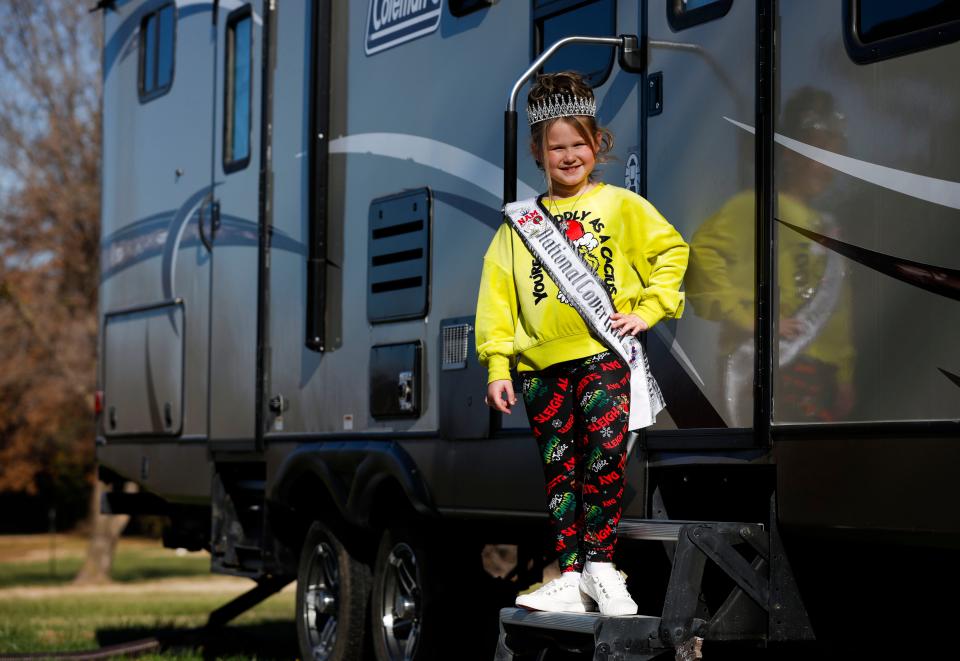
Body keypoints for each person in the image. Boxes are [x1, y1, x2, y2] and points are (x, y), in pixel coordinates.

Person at [474, 72, 688, 616]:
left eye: (579, 144)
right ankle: (569, 574)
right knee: (559, 468)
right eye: (556, 147)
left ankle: (601, 567)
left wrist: (648, 309)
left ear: (597, 145)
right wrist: (499, 364)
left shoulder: (621, 206)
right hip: (541, 367)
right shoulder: (519, 226)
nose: (569, 156)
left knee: (603, 461)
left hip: (603, 356)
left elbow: (671, 252)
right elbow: (497, 298)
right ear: (538, 154)